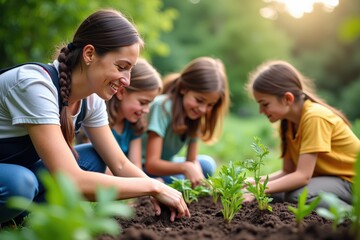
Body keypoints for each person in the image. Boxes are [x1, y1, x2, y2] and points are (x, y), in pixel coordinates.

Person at [0, 9, 190, 224]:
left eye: (130, 70)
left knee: (93, 158)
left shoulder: (92, 100)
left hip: (17, 171)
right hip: (13, 178)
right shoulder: (34, 85)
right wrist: (152, 186)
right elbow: (72, 180)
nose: (127, 80)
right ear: (89, 54)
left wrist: (157, 190)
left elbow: (119, 164)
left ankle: (19, 219)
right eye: (121, 67)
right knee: (20, 183)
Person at [245, 60, 360, 208]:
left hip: (352, 181)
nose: (261, 111)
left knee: (297, 195)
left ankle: (353, 218)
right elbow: (288, 171)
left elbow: (302, 176)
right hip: (335, 180)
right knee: (275, 193)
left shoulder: (314, 117)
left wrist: (256, 190)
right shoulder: (287, 124)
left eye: (265, 104)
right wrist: (252, 182)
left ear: (287, 99)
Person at [142, 56, 230, 187]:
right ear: (183, 88)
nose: (203, 109)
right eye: (199, 100)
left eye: (210, 104)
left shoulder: (195, 115)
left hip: (167, 166)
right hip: (143, 169)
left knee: (207, 165)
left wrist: (198, 177)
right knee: (185, 174)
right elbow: (152, 164)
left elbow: (192, 159)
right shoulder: (163, 107)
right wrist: (186, 167)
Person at [106, 58, 162, 169]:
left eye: (149, 104)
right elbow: (101, 168)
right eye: (143, 102)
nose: (146, 110)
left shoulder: (134, 126)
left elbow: (136, 165)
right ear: (121, 92)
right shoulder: (99, 121)